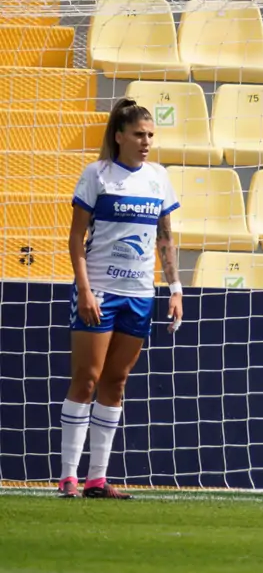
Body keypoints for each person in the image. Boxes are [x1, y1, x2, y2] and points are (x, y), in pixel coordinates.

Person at [57, 98, 183, 499]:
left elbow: (165, 238)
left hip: (139, 295)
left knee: (116, 382)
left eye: (150, 135)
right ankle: (67, 478)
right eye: (139, 134)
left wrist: (175, 288)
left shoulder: (159, 178)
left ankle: (97, 478)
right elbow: (76, 238)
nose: (146, 142)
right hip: (100, 291)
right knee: (87, 378)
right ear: (119, 136)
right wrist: (85, 290)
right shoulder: (97, 175)